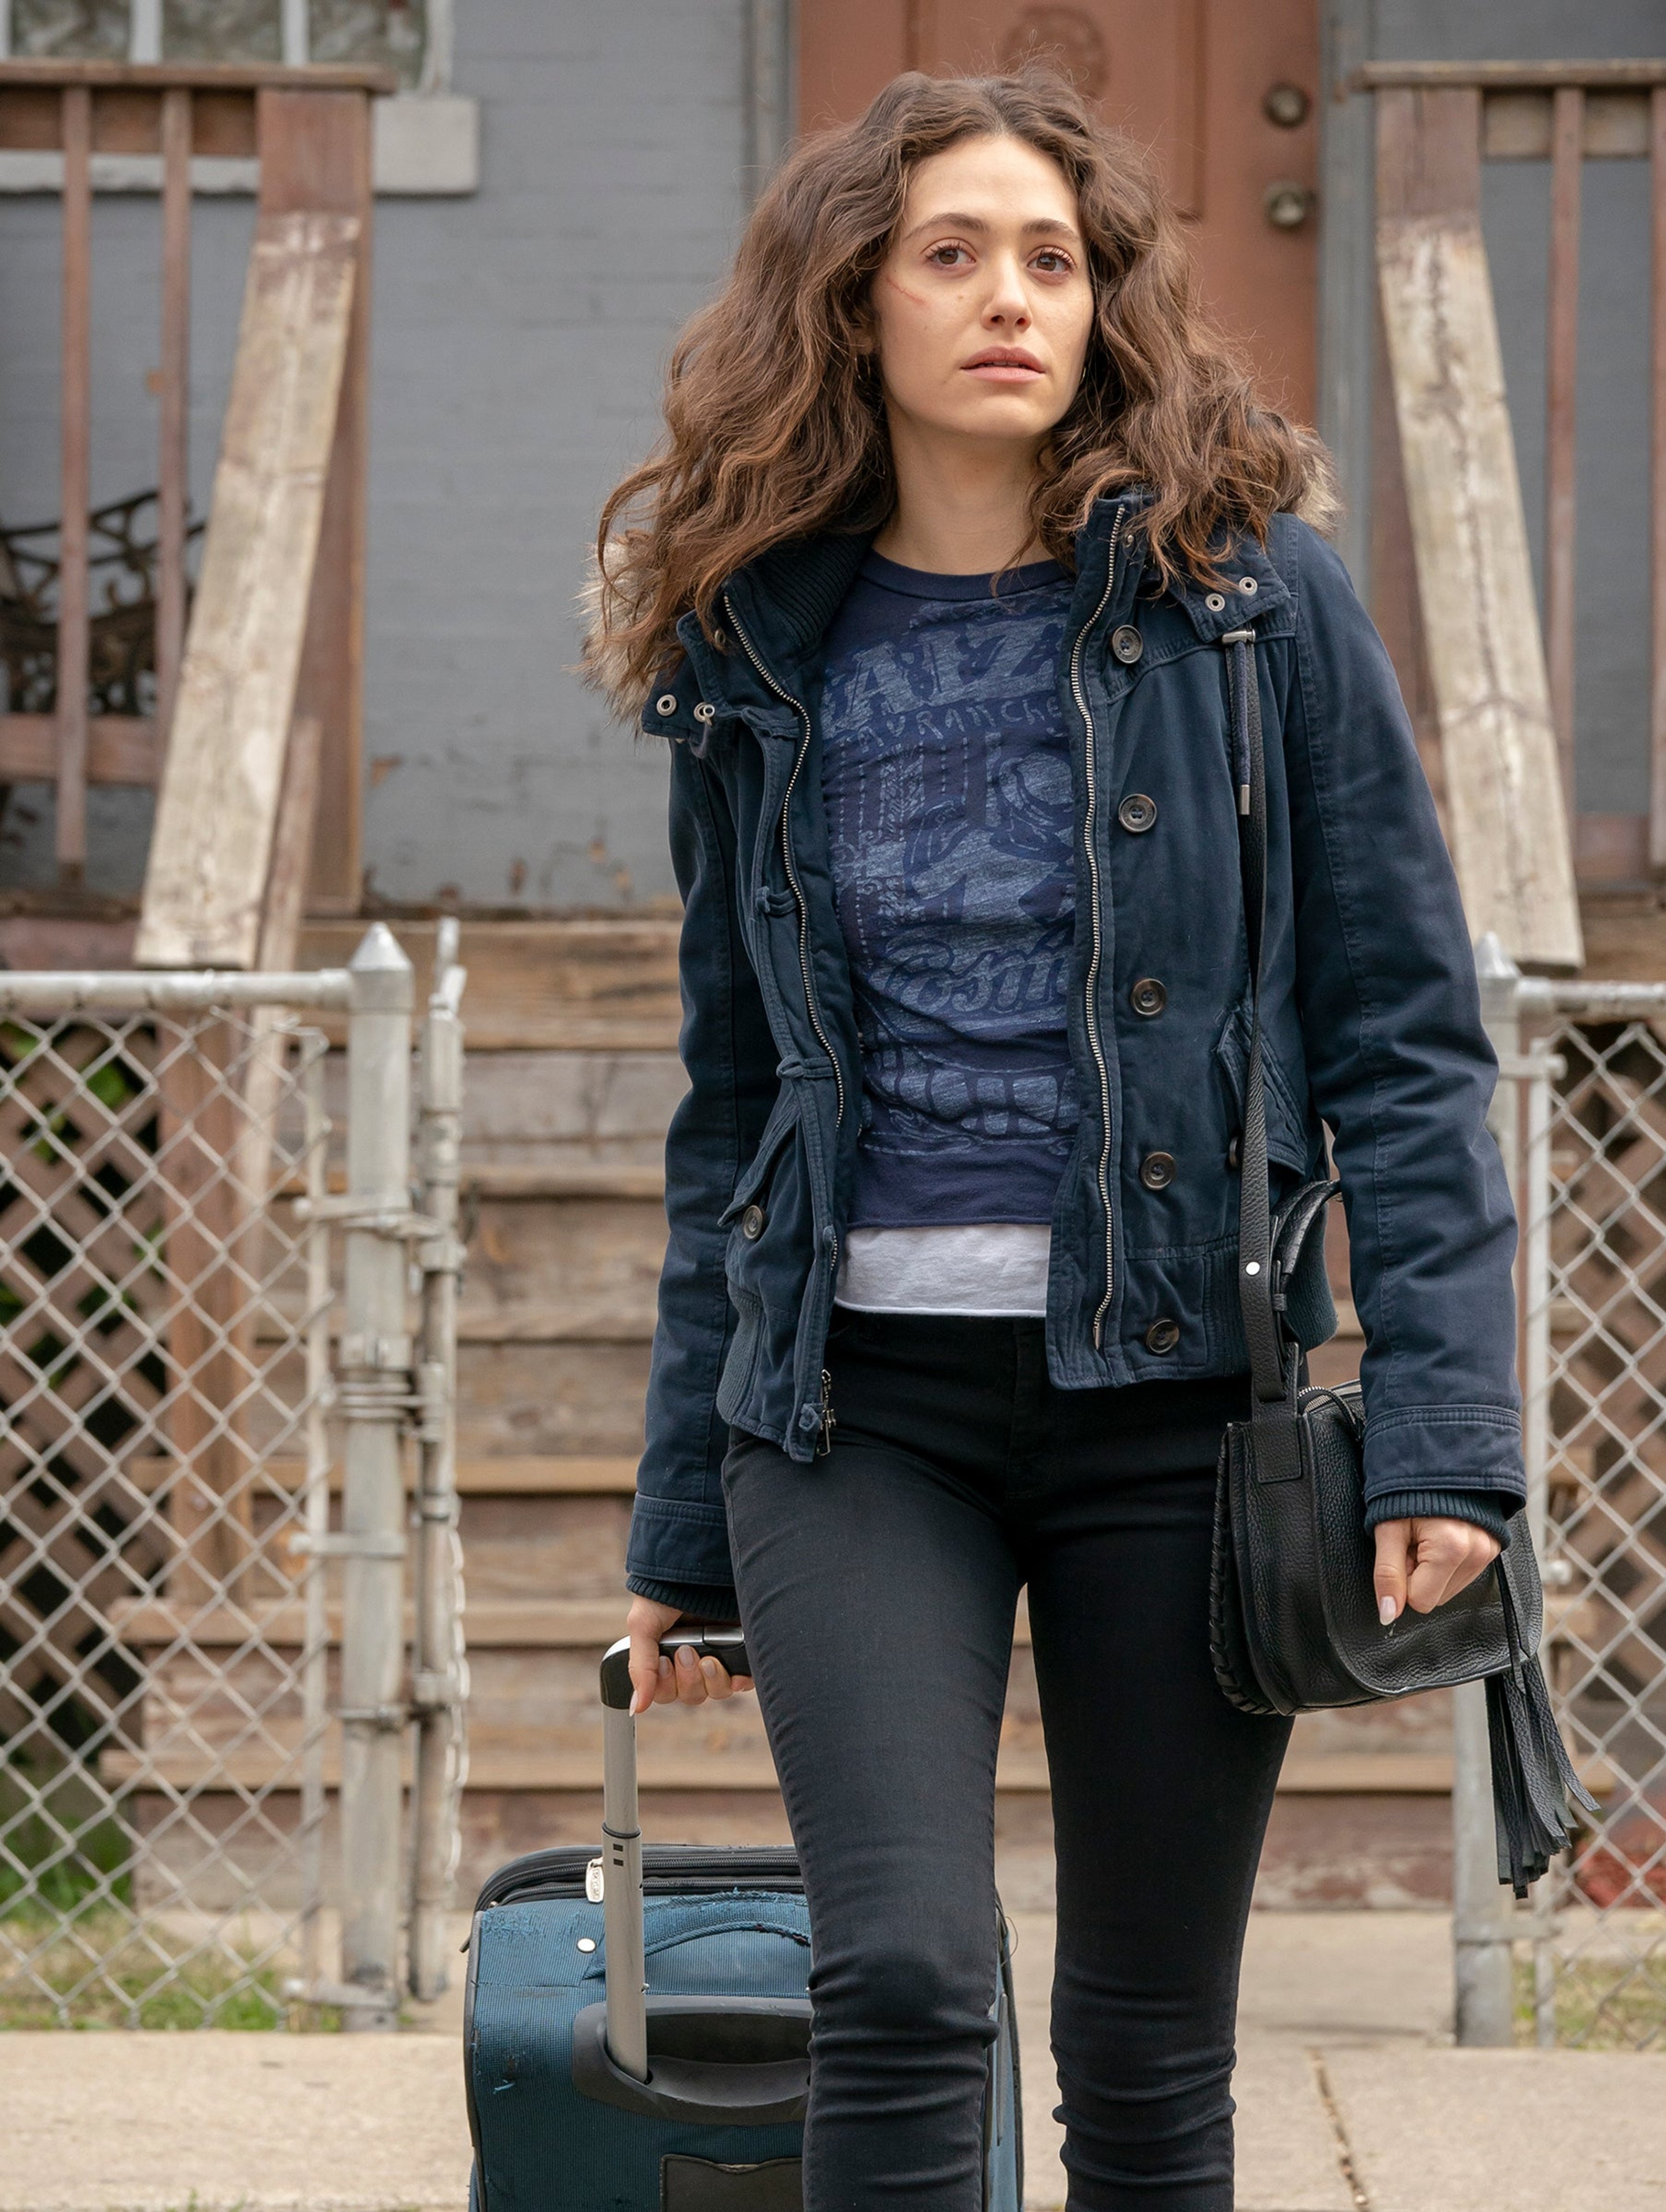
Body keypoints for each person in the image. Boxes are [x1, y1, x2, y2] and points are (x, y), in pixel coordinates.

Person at [586, 67, 1522, 2212]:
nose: (1015, 297)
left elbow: (1406, 1030)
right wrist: (680, 1521)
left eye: (1057, 257)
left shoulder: (1252, 604)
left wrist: (1451, 1436)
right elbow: (736, 1097)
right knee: (900, 1978)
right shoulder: (752, 645)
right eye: (950, 254)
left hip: (1183, 1402)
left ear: (1106, 301)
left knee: (1144, 2040)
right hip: (854, 1406)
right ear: (853, 305)